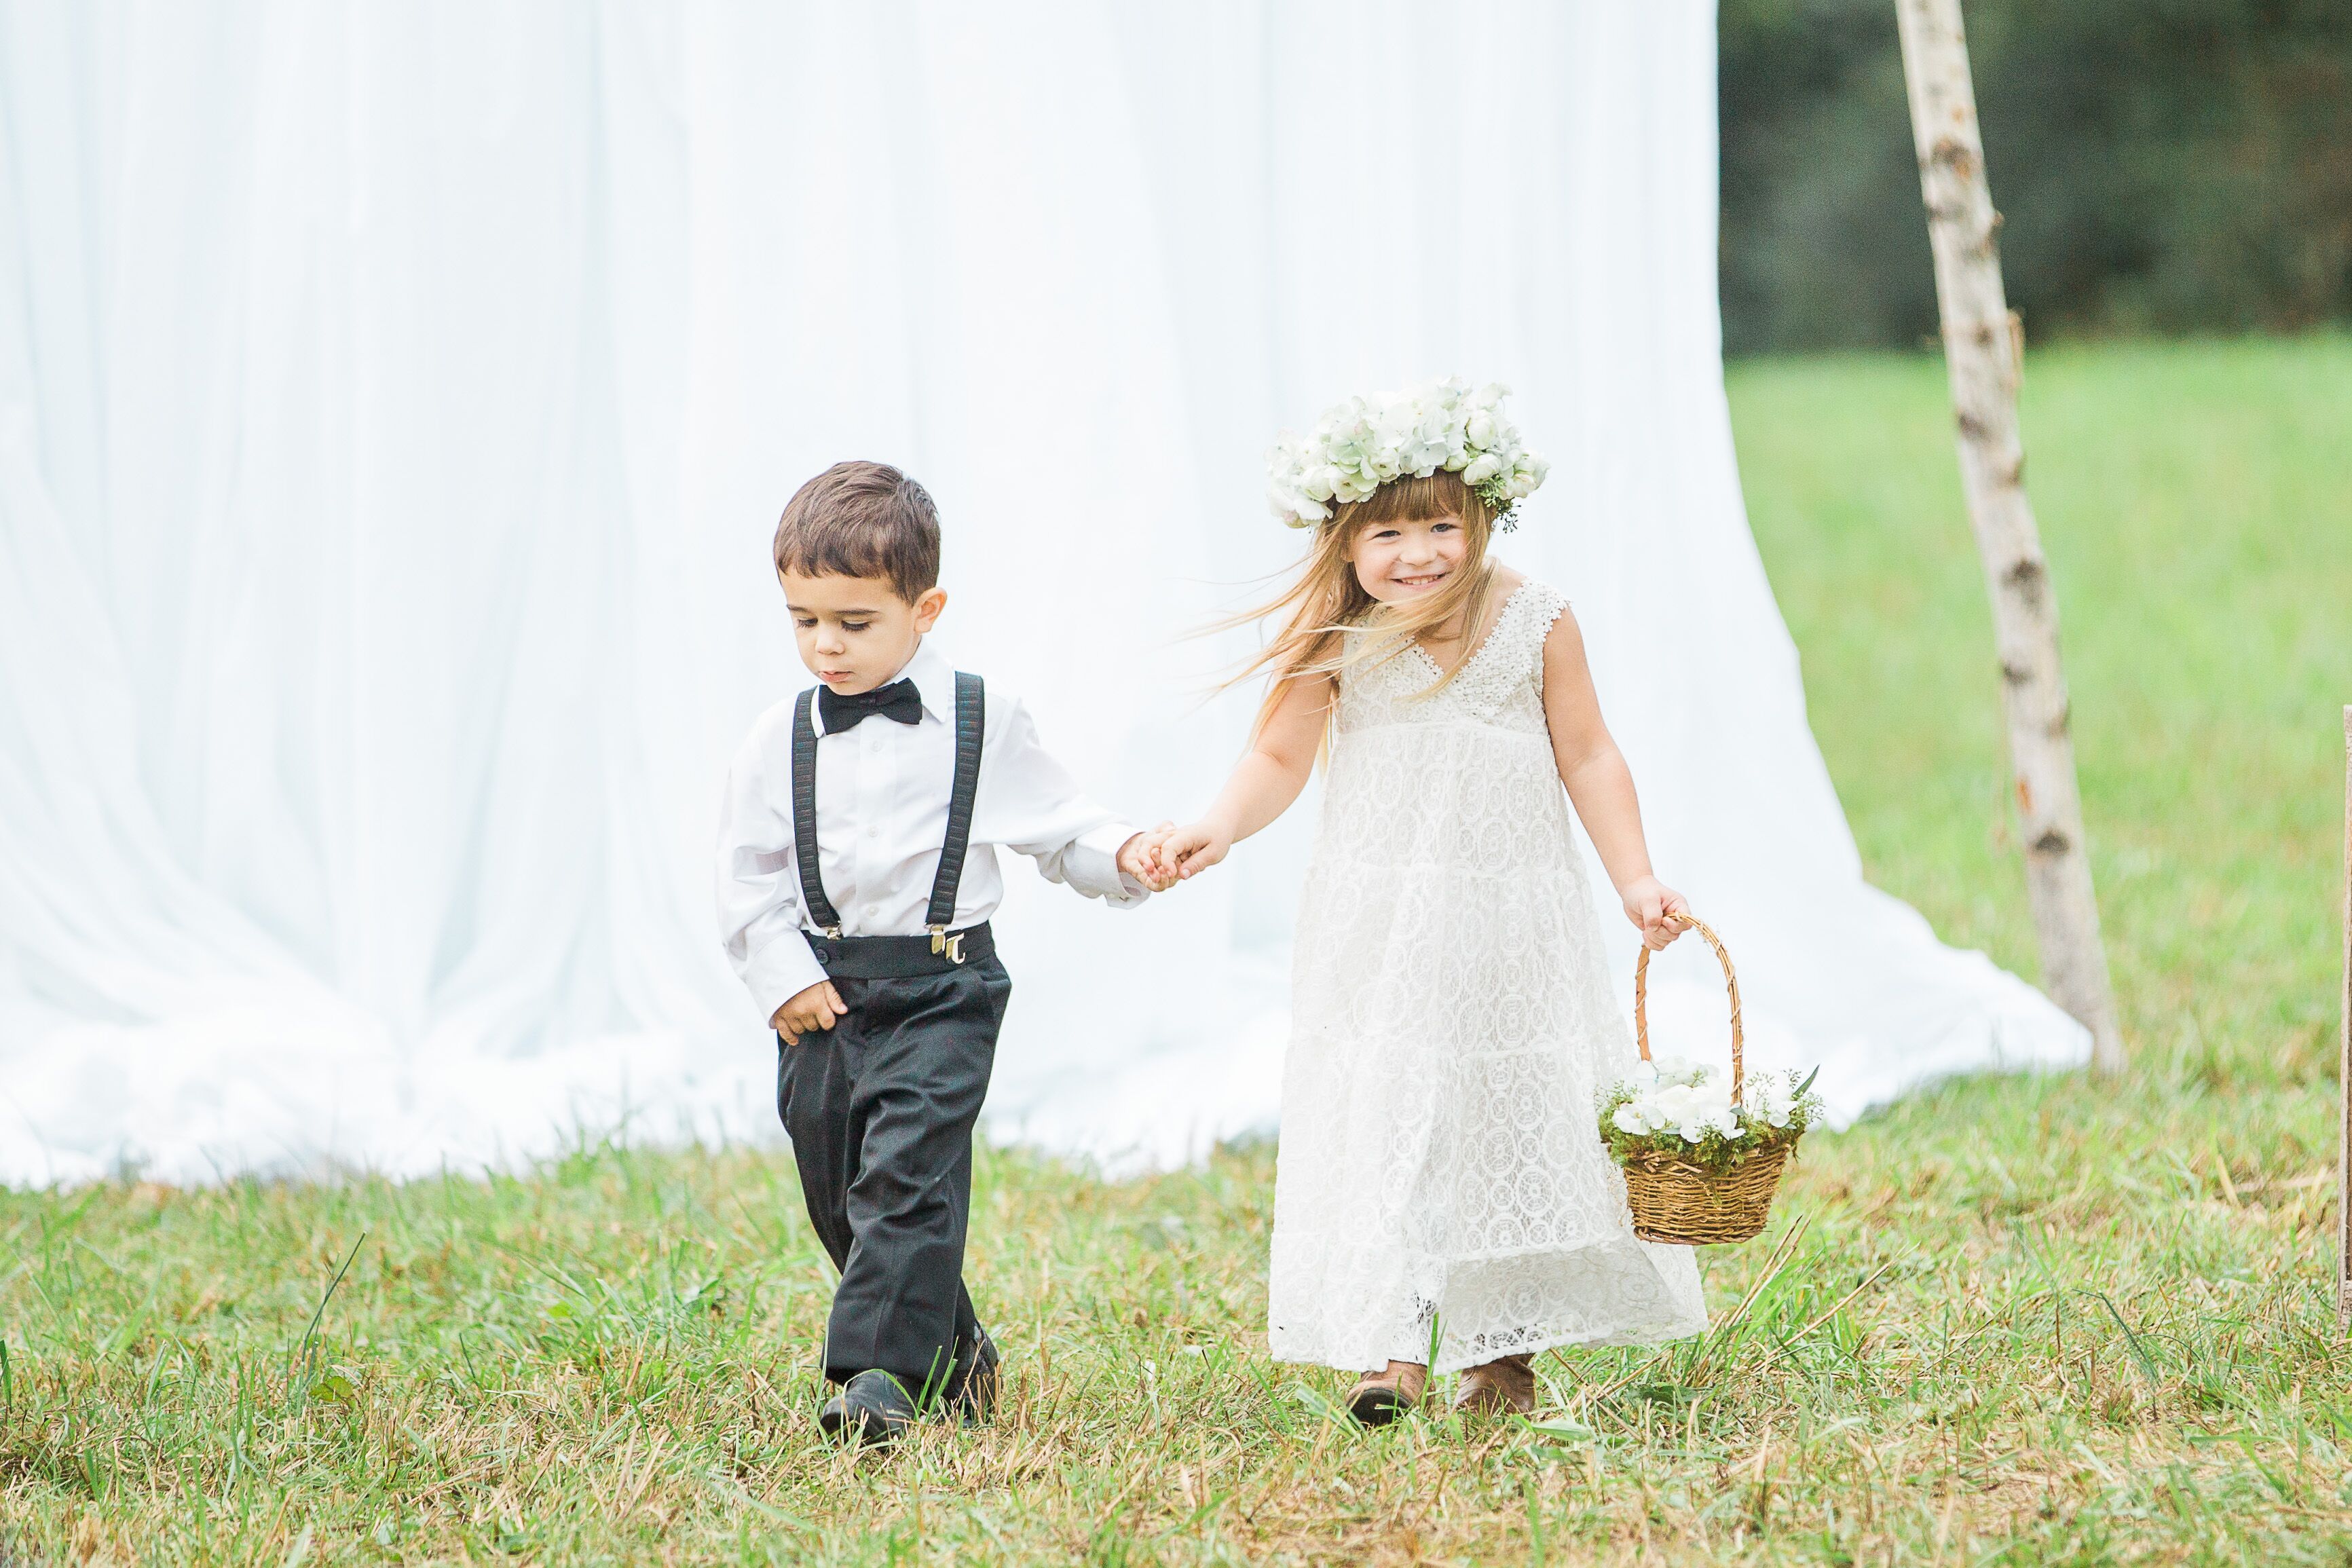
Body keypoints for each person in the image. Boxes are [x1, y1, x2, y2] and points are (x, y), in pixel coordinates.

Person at [1151, 380, 1710, 1423]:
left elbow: (1588, 754)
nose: (1416, 554)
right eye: (1388, 534)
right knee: (1386, 1113)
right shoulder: (1336, 631)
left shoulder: (1536, 618)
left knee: (1511, 1120)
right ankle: (1389, 1341)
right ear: (1343, 541)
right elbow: (1276, 753)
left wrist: (1634, 877)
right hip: (1380, 924)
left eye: (1440, 526)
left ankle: (1501, 1354)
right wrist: (1215, 826)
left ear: (1482, 520)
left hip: (1511, 920)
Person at [715, 460, 1174, 1446]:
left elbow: (1061, 826)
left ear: (926, 608)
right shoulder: (778, 733)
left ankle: (875, 1380)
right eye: (804, 620)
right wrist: (782, 974)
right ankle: (957, 1349)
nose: (825, 645)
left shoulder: (982, 715)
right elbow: (745, 874)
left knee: (906, 1180)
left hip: (943, 982)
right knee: (839, 1192)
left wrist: (1124, 853)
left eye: (853, 620)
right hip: (826, 989)